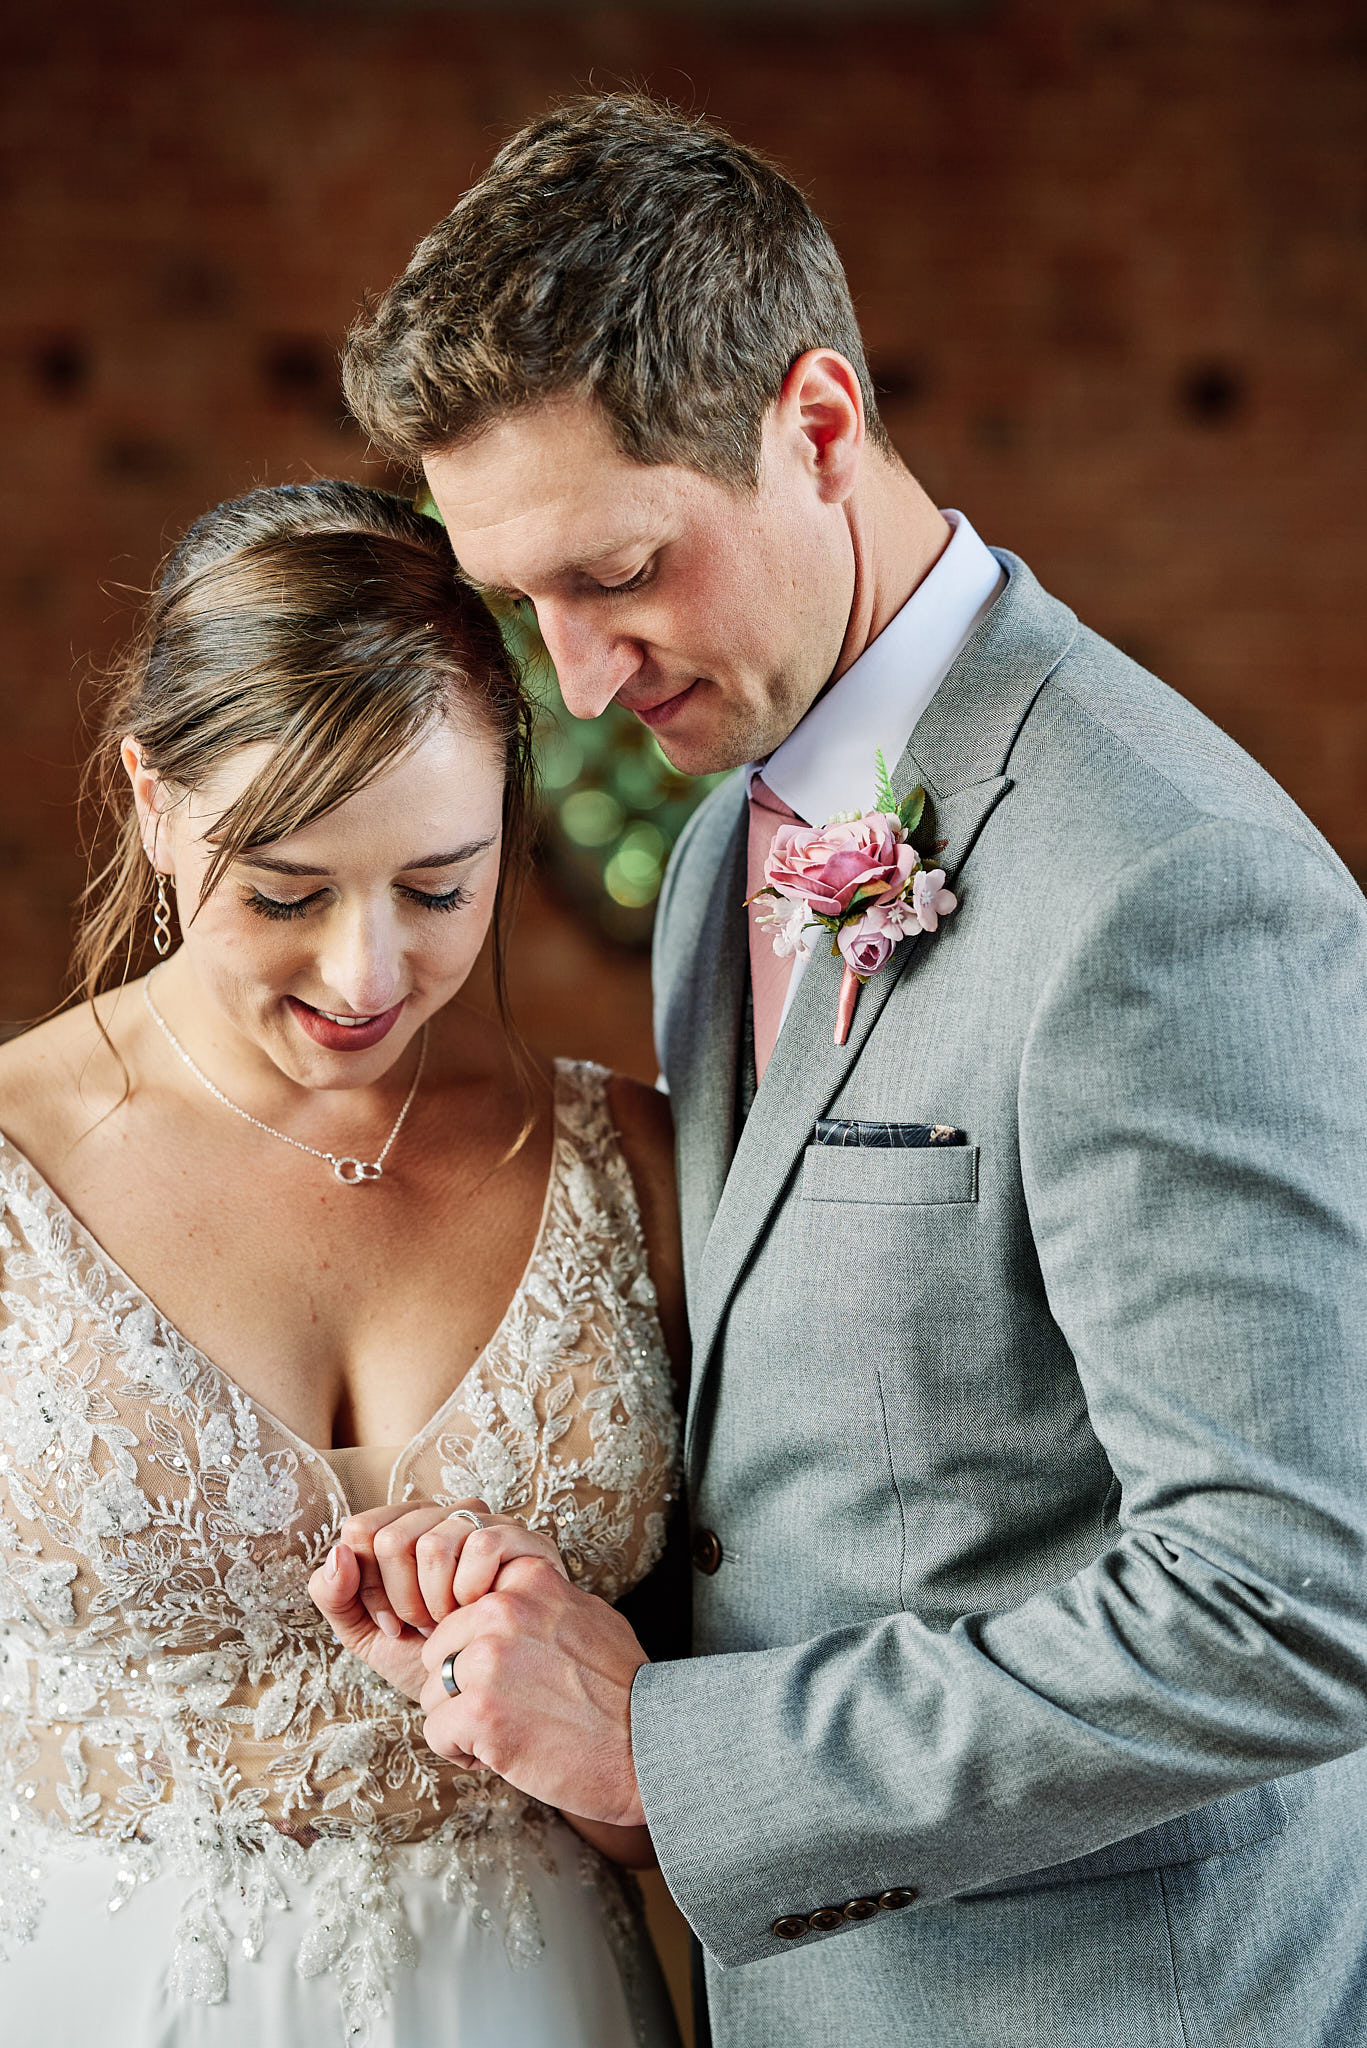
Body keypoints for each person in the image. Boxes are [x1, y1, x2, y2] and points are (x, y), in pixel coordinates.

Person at [333, 93, 1367, 2048]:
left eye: (619, 570)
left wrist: (678, 1749)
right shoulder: (732, 836)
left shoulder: (1172, 883)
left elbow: (1292, 1598)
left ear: (816, 425)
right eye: (520, 601)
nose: (575, 678)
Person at [0, 478, 685, 2047]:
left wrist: (593, 1704)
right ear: (154, 802)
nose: (368, 974)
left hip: (541, 1999)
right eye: (286, 894)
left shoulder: (631, 1166)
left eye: (440, 887)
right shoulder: (14, 1169)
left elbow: (717, 1780)